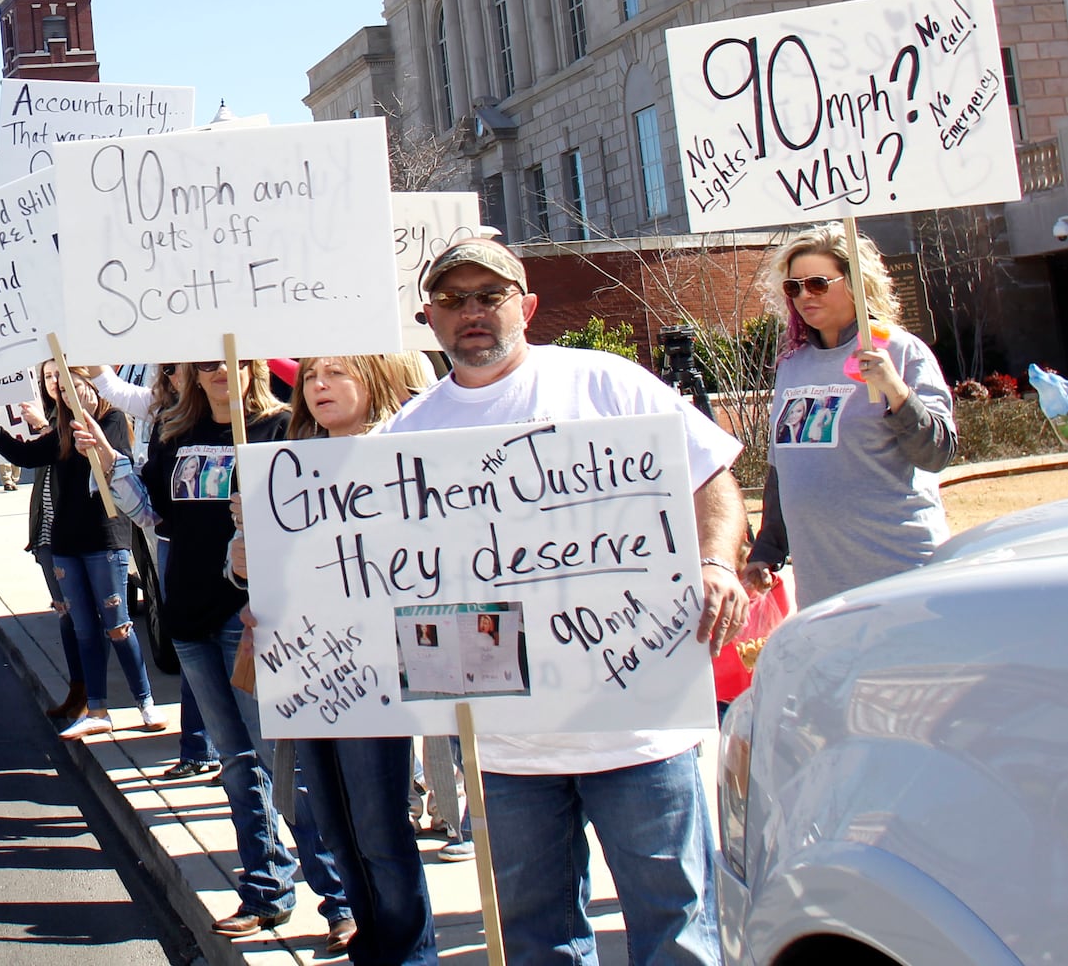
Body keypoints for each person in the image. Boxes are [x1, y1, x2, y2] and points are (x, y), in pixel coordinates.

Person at [386, 237, 749, 965]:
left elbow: (711, 479)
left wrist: (714, 562)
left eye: (488, 296)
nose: (472, 313)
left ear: (526, 306)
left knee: (677, 931)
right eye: (452, 300)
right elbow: (374, 577)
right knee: (535, 940)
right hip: (507, 749)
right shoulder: (408, 433)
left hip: (639, 728)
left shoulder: (606, 385)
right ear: (427, 317)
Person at [74, 358, 356, 954]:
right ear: (193, 378)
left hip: (254, 623)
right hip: (191, 620)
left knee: (289, 766)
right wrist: (108, 460)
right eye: (205, 367)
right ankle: (264, 890)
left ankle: (341, 901)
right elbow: (152, 517)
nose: (222, 374)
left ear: (254, 367)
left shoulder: (284, 433)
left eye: (234, 363)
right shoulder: (178, 437)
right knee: (237, 764)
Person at [231, 351, 441, 965]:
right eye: (313, 375)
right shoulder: (285, 466)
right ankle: (372, 950)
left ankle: (409, 955)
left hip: (375, 673)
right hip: (306, 672)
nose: (320, 385)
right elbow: (263, 576)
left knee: (379, 830)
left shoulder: (403, 455)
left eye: (338, 373)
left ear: (372, 379)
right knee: (336, 832)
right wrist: (243, 560)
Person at [741, 222, 955, 609]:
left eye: (818, 284)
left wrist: (897, 391)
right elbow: (784, 468)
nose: (804, 296)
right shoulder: (792, 365)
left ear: (856, 282)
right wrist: (767, 549)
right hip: (822, 585)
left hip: (902, 572)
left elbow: (936, 453)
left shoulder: (902, 352)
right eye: (794, 287)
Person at [0, 367, 166, 739]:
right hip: (66, 543)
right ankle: (97, 709)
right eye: (64, 393)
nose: (71, 397)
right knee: (84, 629)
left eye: (77, 388)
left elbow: (116, 462)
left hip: (105, 539)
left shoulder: (112, 420)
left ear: (92, 386)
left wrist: (95, 446)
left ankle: (145, 703)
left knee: (118, 625)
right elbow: (26, 454)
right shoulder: (62, 432)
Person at [88, 364, 222, 781]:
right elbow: (149, 511)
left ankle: (237, 753)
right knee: (196, 659)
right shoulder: (167, 424)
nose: (212, 371)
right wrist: (111, 464)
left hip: (245, 589)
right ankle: (202, 746)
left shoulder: (267, 427)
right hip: (182, 566)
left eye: (216, 361)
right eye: (184, 367)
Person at [20, 361, 87, 721]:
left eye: (57, 375)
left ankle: (114, 697)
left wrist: (44, 428)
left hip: (76, 535)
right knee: (65, 616)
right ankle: (78, 691)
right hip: (47, 535)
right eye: (46, 377)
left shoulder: (78, 415)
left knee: (97, 620)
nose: (53, 382)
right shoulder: (43, 415)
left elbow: (67, 448)